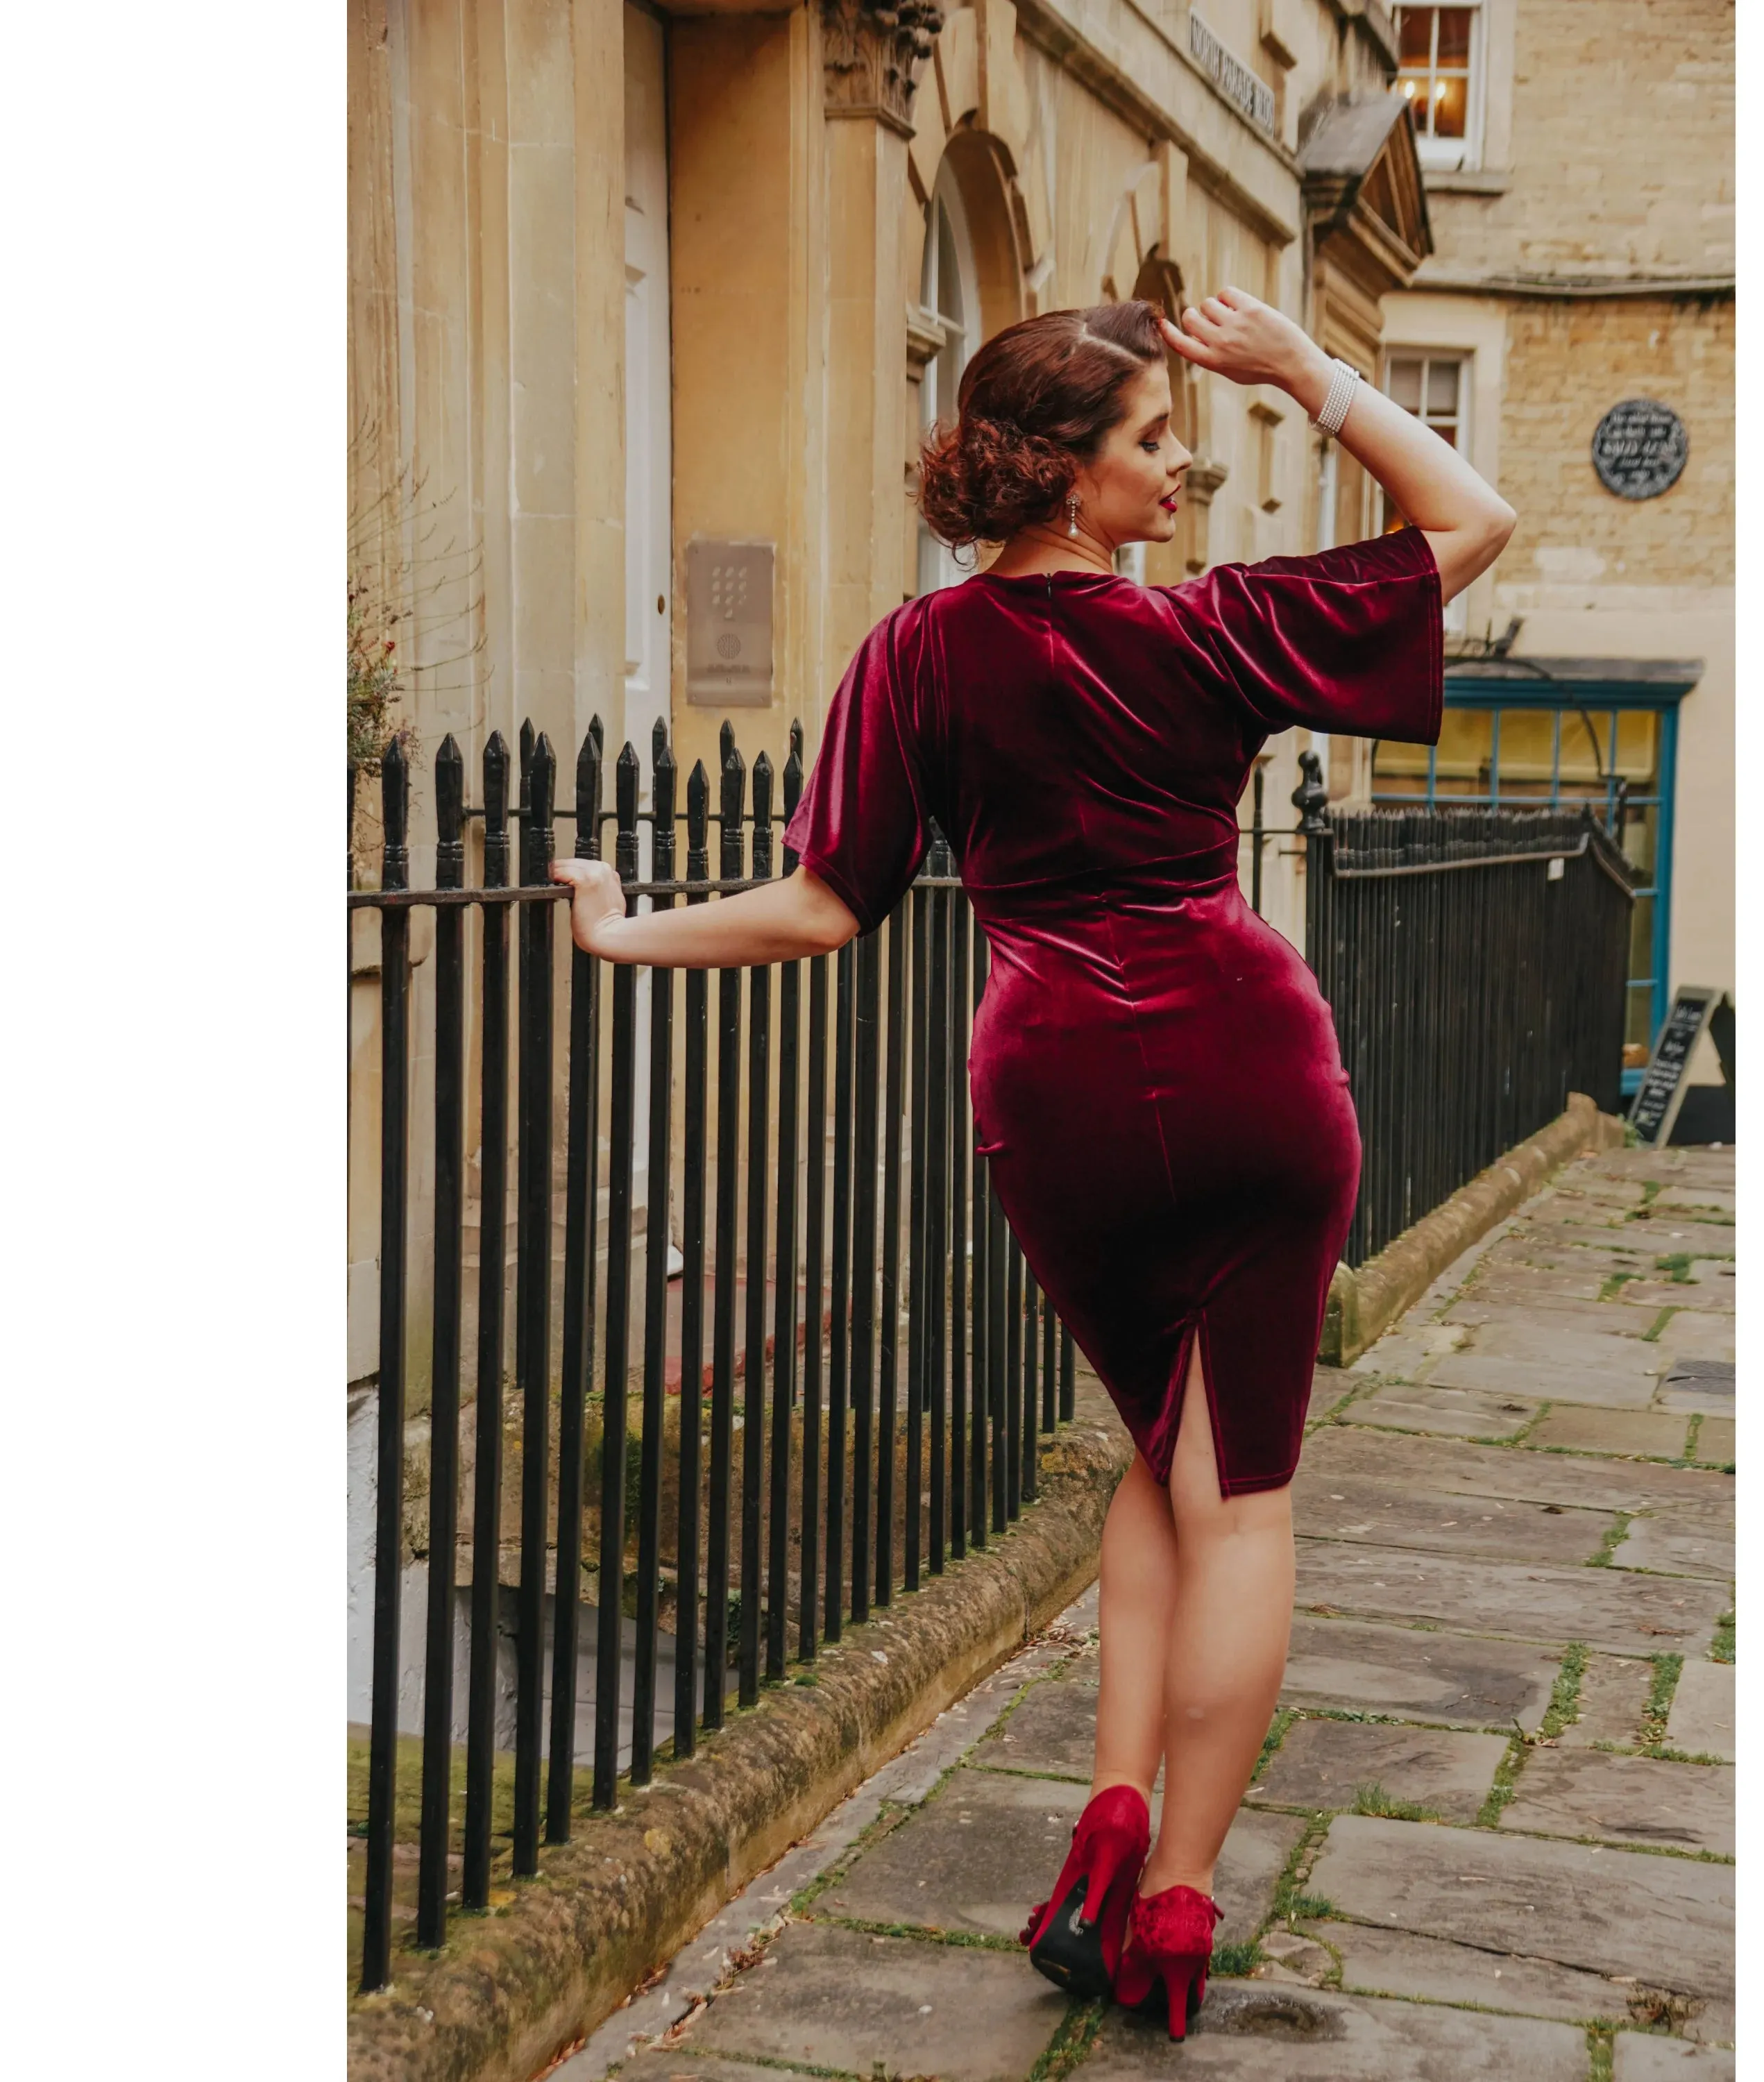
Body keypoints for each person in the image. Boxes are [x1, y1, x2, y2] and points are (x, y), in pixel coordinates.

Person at [553, 287, 1514, 2040]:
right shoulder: (1213, 633)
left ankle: (1115, 1805)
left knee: (1152, 1458)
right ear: (1066, 476)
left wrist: (625, 940)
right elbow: (1472, 522)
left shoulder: (913, 658)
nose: (1186, 465)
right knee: (1245, 1498)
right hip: (1245, 1065)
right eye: (1155, 438)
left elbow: (821, 904)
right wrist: (1311, 375)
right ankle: (1175, 1905)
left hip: (1058, 1090)